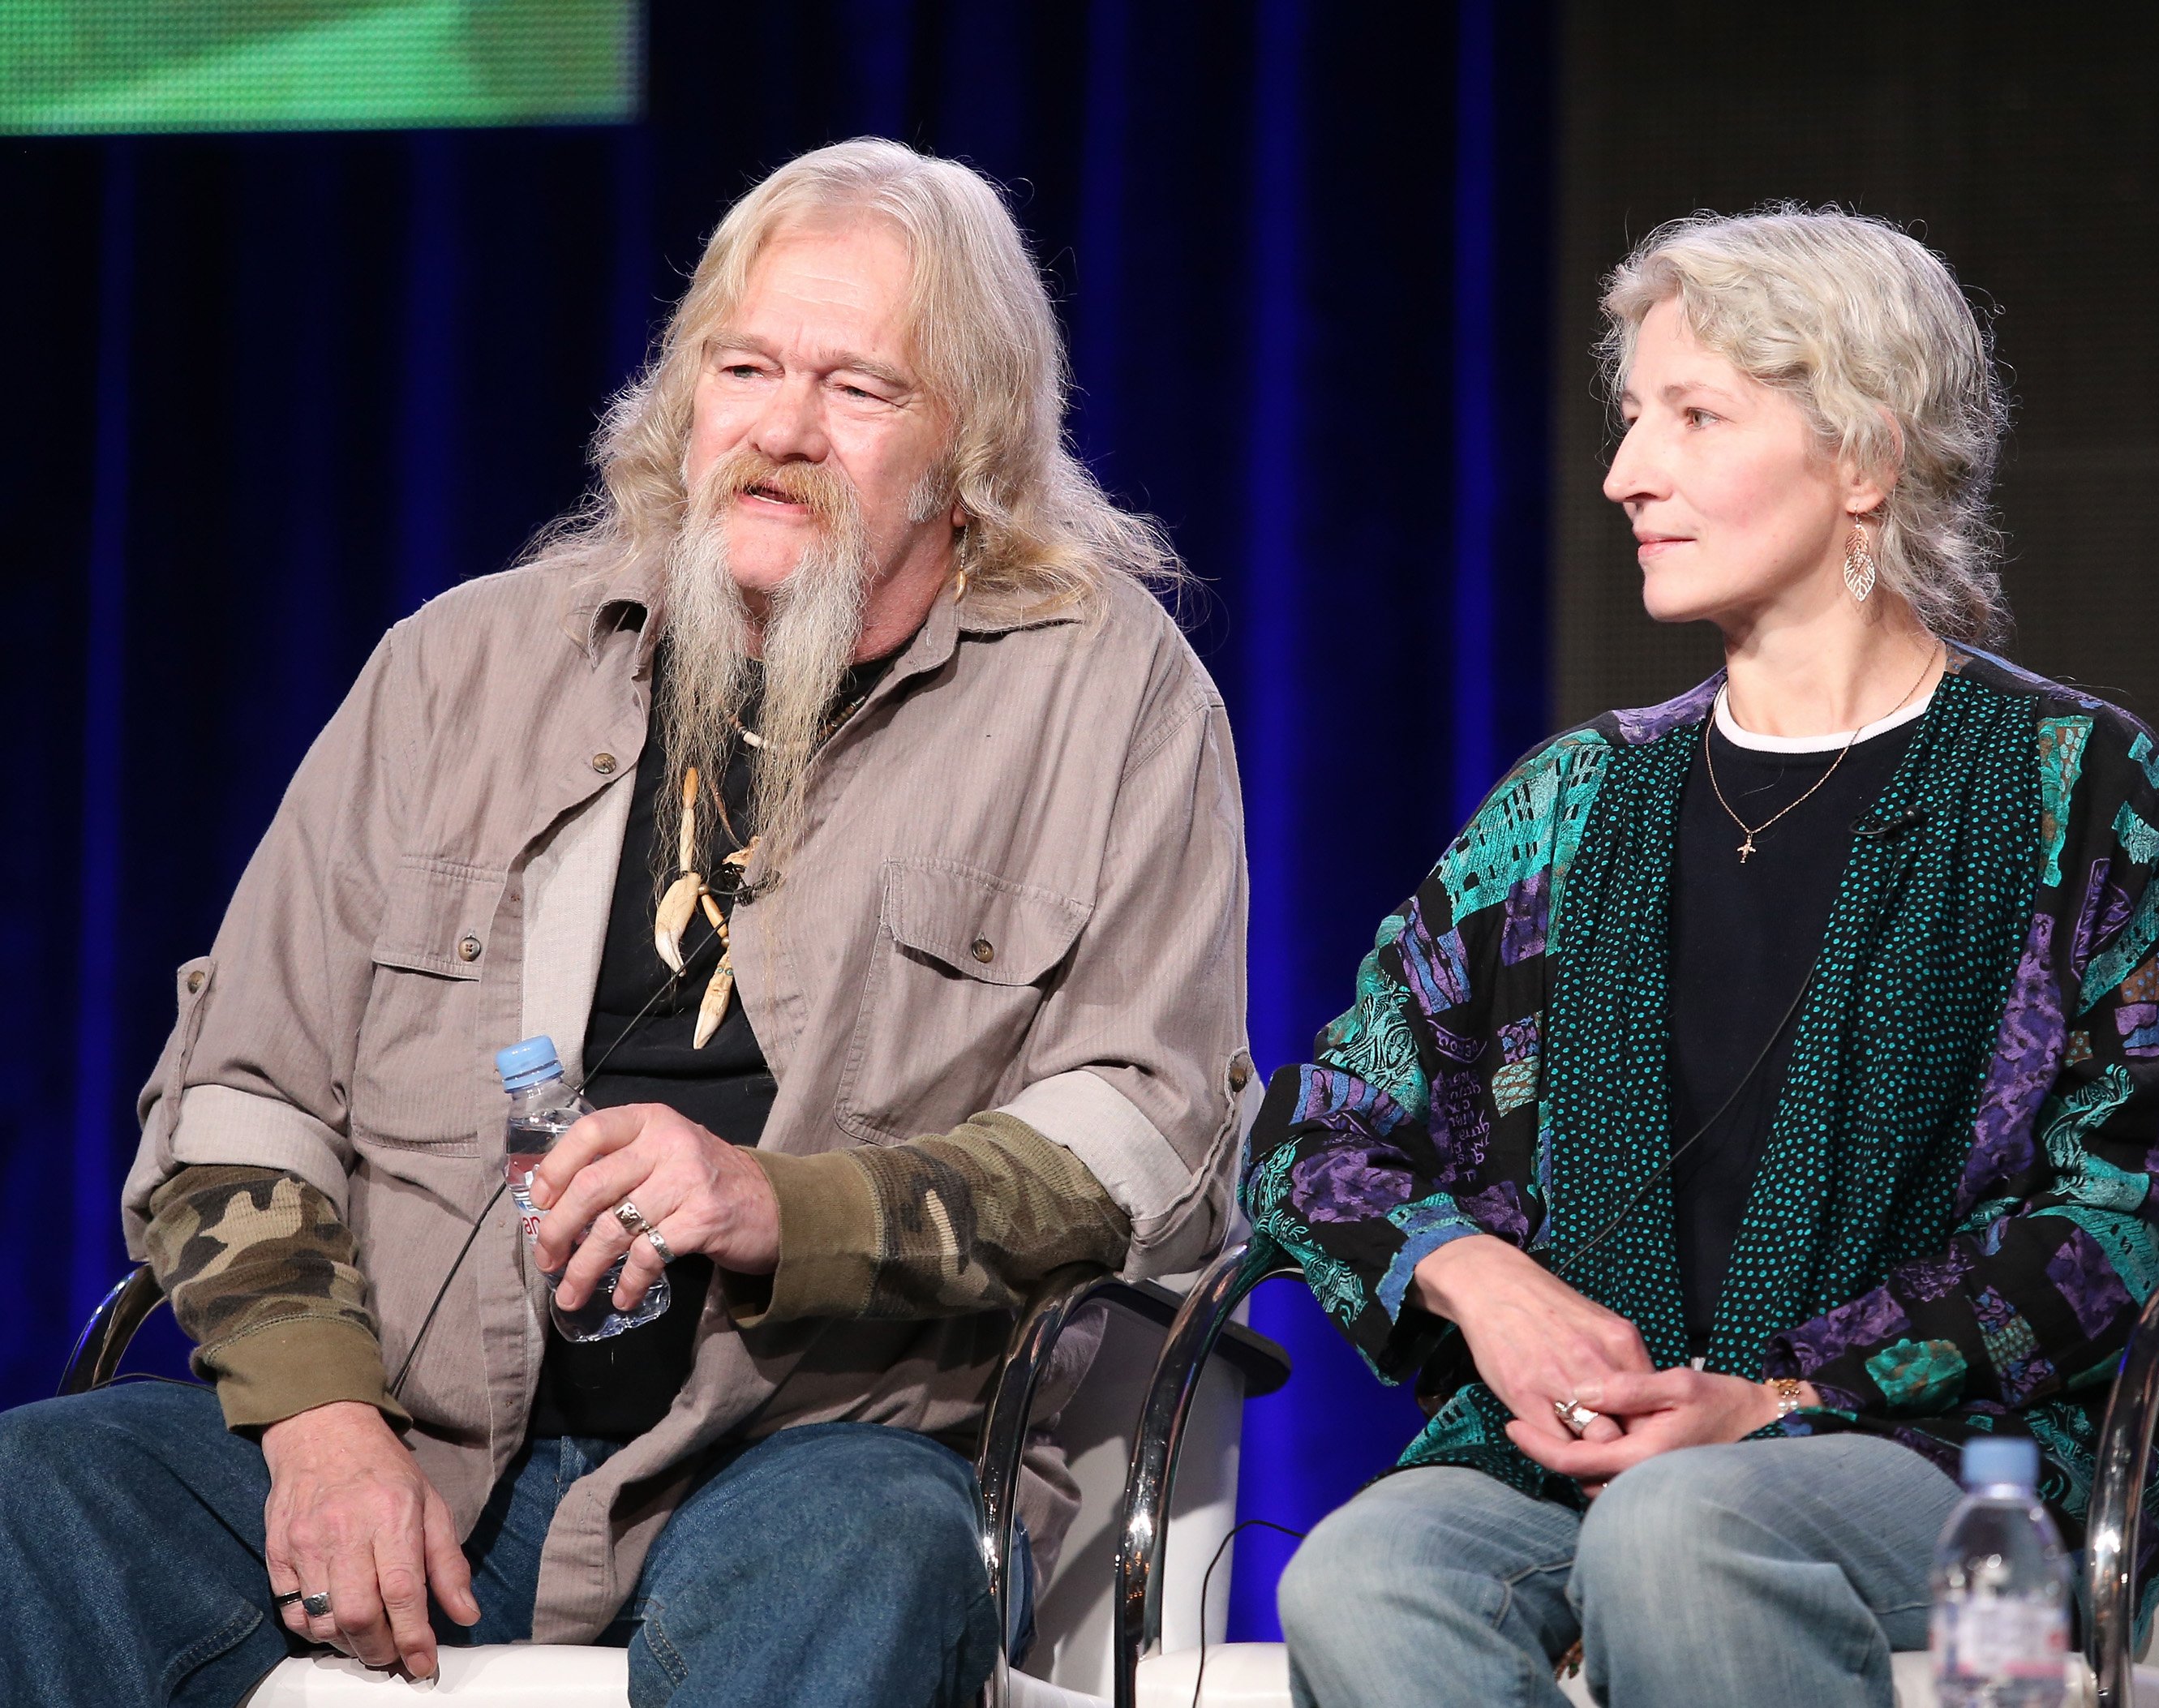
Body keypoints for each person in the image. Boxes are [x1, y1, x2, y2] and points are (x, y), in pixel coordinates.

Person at [0, 138, 1248, 1708]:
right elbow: (238, 1096)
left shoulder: (1104, 696)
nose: (783, 429)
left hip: (806, 1459)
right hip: (419, 1445)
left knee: (861, 1560)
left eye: (859, 390)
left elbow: (1147, 1140)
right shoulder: (459, 668)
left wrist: (781, 1204)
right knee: (37, 1506)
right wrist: (320, 1425)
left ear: (972, 445)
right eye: (744, 367)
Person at [1252, 207, 2159, 1707]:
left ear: (1866, 461)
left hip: (1950, 1465)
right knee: (1360, 1568)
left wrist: (1780, 1402)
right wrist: (1475, 1276)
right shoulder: (1569, 809)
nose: (1625, 472)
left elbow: (2116, 1218)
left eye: (1696, 416)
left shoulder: (2076, 788)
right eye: (1634, 416)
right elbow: (1322, 1129)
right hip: (1584, 1456)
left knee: (1678, 1531)